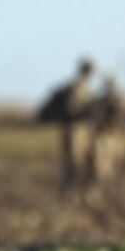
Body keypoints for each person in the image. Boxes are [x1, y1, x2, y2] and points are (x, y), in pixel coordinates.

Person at [37, 58, 97, 194]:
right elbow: (72, 109)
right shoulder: (76, 87)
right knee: (74, 163)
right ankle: (68, 192)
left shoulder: (85, 87)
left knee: (84, 163)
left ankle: (79, 192)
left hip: (83, 130)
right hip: (74, 130)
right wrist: (87, 111)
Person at [87, 75, 125, 186]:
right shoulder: (99, 101)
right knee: (100, 165)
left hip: (115, 135)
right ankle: (100, 184)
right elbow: (95, 116)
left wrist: (118, 105)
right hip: (102, 135)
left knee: (115, 163)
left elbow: (124, 114)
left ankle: (111, 185)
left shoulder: (119, 100)